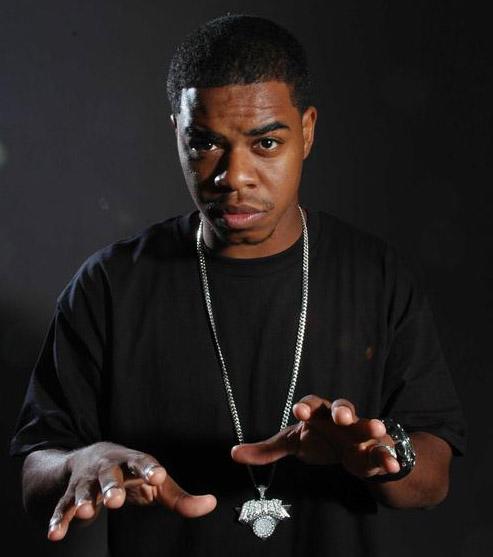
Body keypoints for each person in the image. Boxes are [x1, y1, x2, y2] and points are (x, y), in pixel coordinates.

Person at [10, 13, 466, 557]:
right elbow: (36, 472)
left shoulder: (376, 274)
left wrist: (383, 457)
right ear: (177, 135)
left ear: (307, 131)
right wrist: (80, 464)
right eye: (204, 144)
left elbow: (433, 479)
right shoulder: (109, 284)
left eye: (266, 143)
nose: (234, 176)